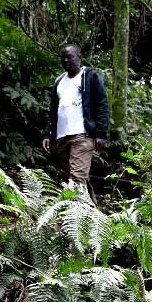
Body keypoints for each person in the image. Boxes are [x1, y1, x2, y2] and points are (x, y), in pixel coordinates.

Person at [42, 44, 109, 196]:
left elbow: (102, 105)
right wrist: (47, 134)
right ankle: (91, 209)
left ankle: (78, 215)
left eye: (70, 57)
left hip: (83, 134)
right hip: (62, 136)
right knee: (73, 177)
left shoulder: (90, 76)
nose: (66, 60)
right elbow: (53, 110)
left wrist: (101, 133)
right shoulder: (59, 81)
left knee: (77, 179)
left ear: (79, 57)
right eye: (63, 57)